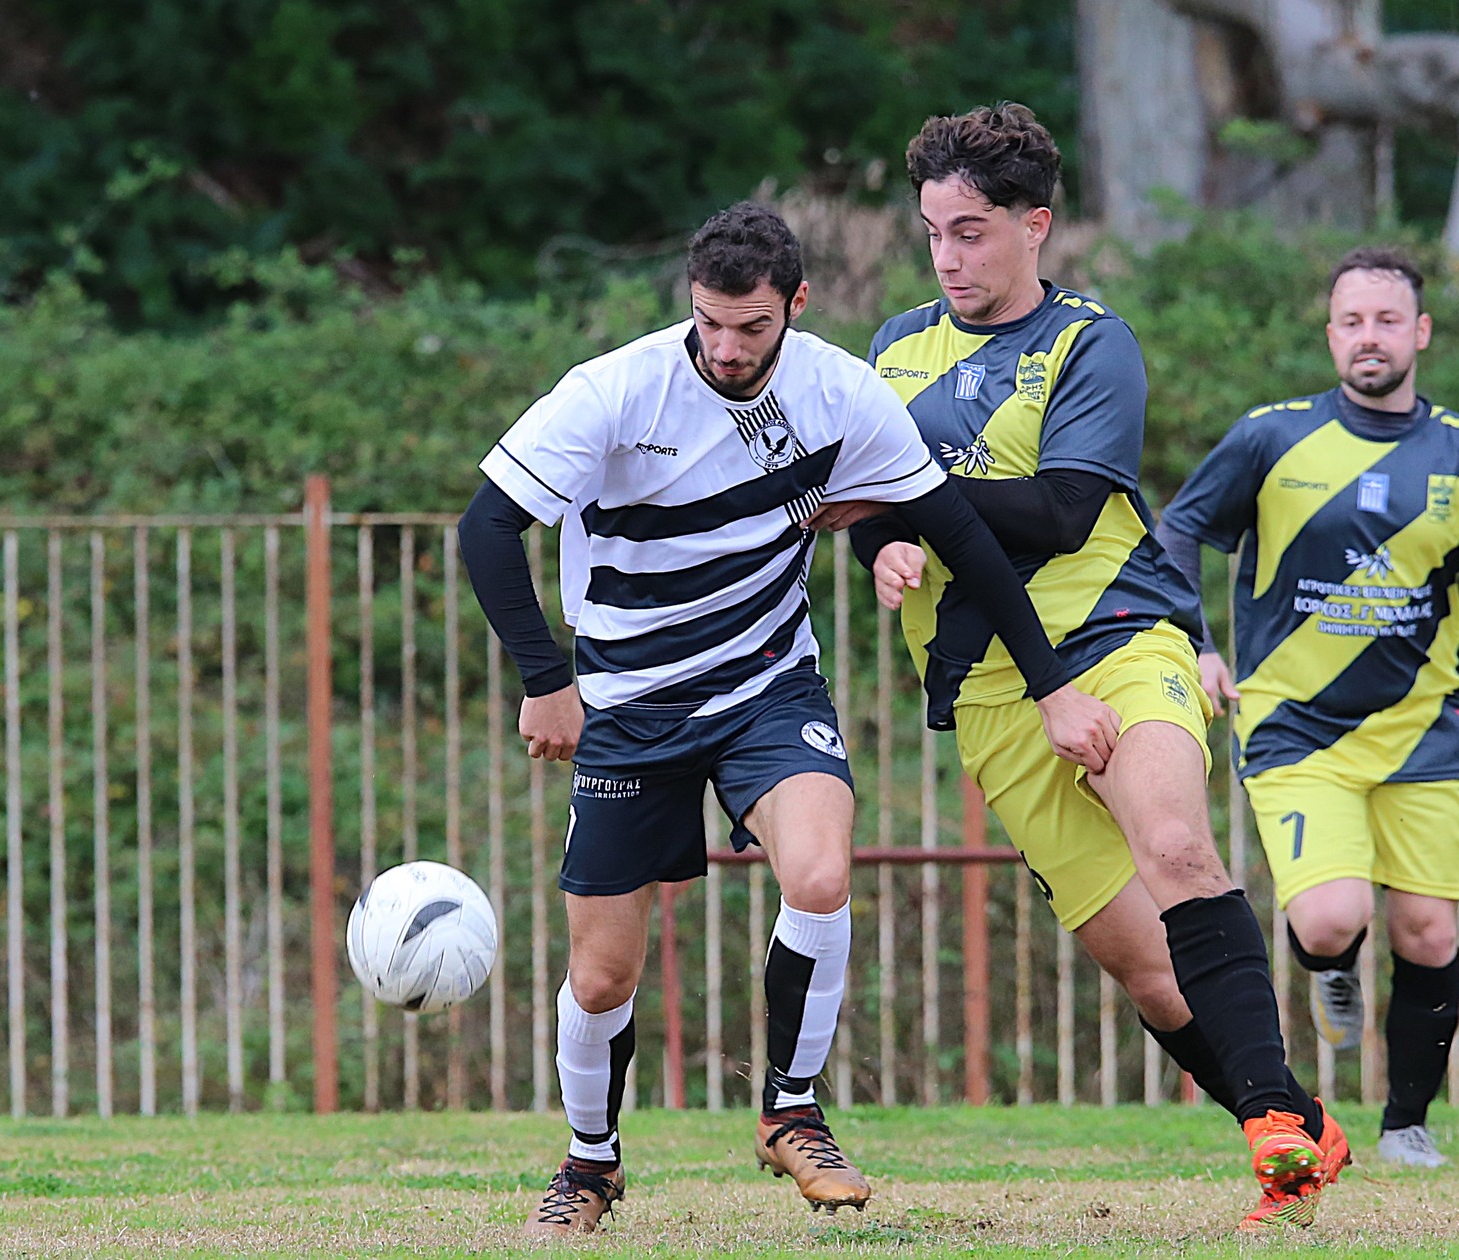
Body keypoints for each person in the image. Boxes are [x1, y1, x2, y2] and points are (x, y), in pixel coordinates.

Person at [458, 201, 1120, 1235]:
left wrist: (1053, 687)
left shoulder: (840, 393)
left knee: (817, 870)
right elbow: (488, 528)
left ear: (796, 305)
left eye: (751, 327)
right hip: (630, 704)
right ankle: (590, 1162)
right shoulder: (613, 389)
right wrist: (546, 680)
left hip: (768, 686)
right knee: (601, 973)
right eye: (709, 322)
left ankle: (791, 1111)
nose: (726, 348)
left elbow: (960, 534)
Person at [837, 103, 1347, 1231]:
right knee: (1146, 970)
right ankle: (1307, 1128)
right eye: (933, 232)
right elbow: (867, 505)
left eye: (971, 232)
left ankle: (1271, 1126)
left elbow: (1063, 511)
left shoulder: (1089, 343)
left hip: (1114, 634)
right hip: (984, 687)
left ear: (1035, 226)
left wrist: (908, 497)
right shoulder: (894, 349)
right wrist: (883, 546)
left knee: (1176, 845)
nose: (947, 257)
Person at [1158, 246, 1459, 1168]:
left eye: (1386, 320)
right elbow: (1177, 533)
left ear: (1420, 333)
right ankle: (1330, 969)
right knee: (1329, 918)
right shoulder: (1270, 437)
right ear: (1330, 333)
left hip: (1425, 728)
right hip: (1295, 725)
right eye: (1351, 321)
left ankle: (1407, 1125)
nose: (1368, 336)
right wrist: (1197, 644)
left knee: (1428, 930)